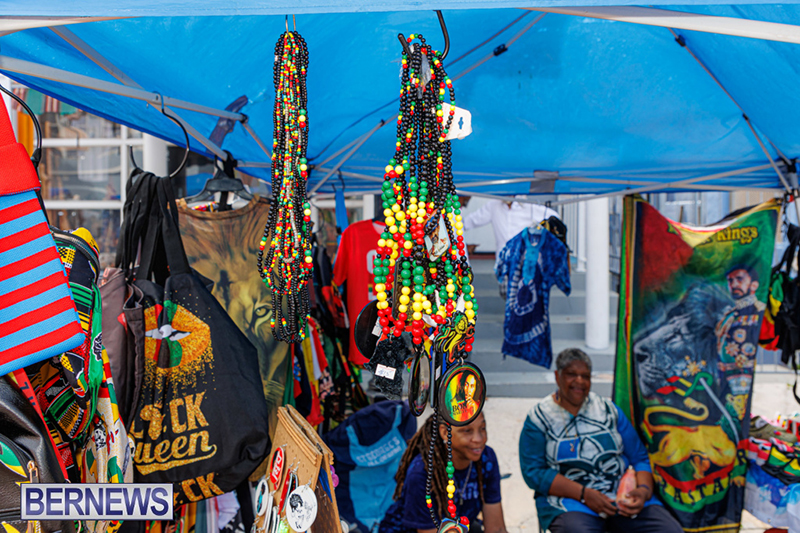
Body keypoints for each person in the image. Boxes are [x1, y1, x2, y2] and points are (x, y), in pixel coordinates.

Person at [518, 348, 683, 533]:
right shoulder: (540, 418)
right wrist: (584, 494)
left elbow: (639, 457)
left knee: (669, 530)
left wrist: (643, 492)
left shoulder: (607, 410)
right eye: (572, 374)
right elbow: (534, 473)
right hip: (571, 503)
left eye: (585, 376)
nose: (579, 381)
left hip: (621, 498)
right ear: (558, 376)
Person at [378, 412, 507, 533]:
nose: (479, 439)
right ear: (445, 433)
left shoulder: (486, 458)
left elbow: (496, 528)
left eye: (482, 428)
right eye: (467, 431)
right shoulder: (422, 474)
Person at [462, 198, 558, 297]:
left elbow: (553, 217)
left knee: (526, 295)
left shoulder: (527, 206)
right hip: (503, 262)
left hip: (523, 260)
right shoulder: (493, 205)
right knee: (507, 295)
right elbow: (472, 220)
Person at [716, 264, 766, 418]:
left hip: (742, 377)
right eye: (730, 281)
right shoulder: (730, 313)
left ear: (754, 285)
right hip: (723, 376)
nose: (734, 284)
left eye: (739, 279)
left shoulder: (758, 310)